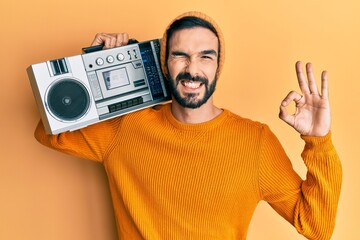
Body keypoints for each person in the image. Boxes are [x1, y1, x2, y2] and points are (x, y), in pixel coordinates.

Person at [34, 11, 342, 240]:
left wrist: (319, 141)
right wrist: (92, 71)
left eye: (205, 57)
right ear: (163, 63)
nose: (192, 69)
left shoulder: (255, 141)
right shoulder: (126, 127)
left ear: (218, 65)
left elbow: (316, 226)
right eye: (179, 56)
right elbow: (50, 132)